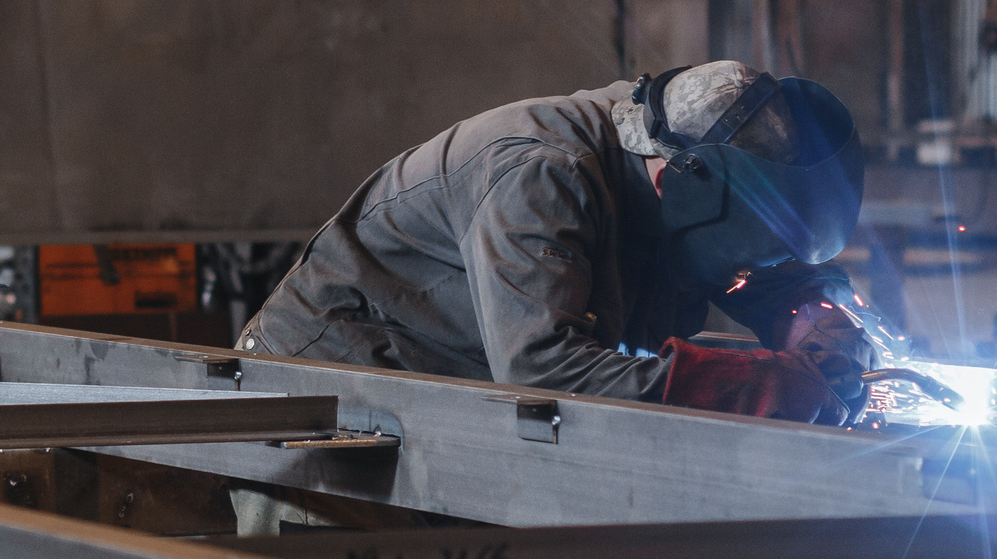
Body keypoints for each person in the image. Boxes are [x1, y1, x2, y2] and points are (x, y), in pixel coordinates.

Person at [239, 62, 877, 424]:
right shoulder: (544, 174)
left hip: (438, 401)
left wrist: (809, 314)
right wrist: (760, 388)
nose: (744, 277)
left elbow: (752, 269)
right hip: (324, 403)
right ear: (690, 193)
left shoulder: (681, 154)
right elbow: (544, 373)